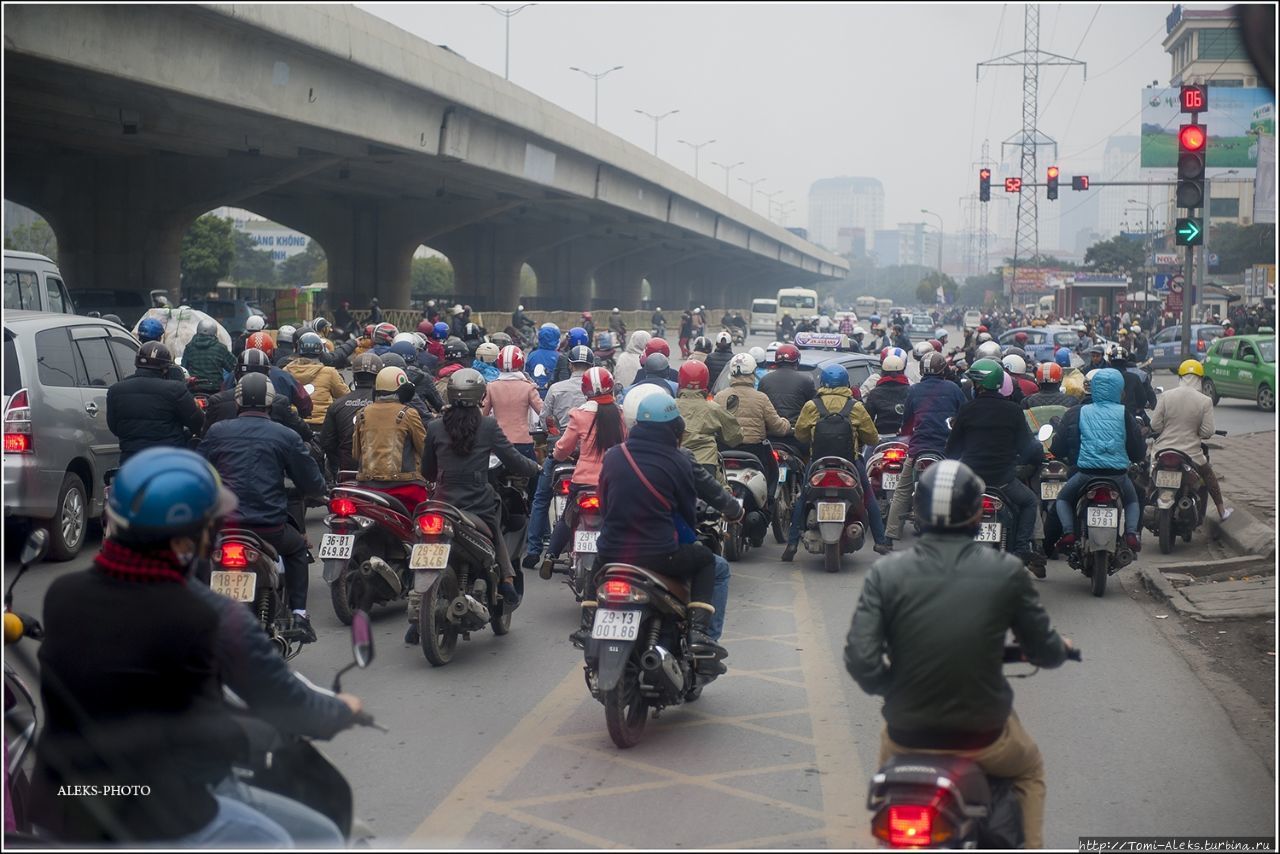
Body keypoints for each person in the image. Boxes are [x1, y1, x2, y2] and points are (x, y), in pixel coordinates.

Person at [29, 448, 299, 845]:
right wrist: (265, 733)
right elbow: (210, 734)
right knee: (292, 838)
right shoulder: (191, 616)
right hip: (149, 811)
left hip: (57, 804)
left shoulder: (62, 594)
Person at [845, 460, 1071, 850]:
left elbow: (862, 660)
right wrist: (1058, 651)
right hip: (984, 735)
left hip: (905, 734)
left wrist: (894, 688)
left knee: (890, 794)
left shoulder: (885, 574)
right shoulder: (1006, 571)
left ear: (920, 512)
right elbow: (1044, 648)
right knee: (1029, 770)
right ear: (976, 513)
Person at [572, 394, 729, 669]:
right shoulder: (679, 459)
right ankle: (699, 633)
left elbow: (605, 504)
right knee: (709, 562)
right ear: (674, 428)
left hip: (612, 551)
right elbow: (686, 510)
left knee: (598, 563)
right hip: (660, 555)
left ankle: (587, 625)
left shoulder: (613, 455)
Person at [199, 373, 327, 644]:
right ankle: (300, 615)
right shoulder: (286, 435)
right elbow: (312, 481)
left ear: (237, 402)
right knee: (297, 550)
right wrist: (318, 491)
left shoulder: (216, 432)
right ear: (270, 403)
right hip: (268, 528)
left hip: (223, 527)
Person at [424, 369, 540, 608]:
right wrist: (536, 468)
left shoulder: (435, 427)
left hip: (443, 501)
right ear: (479, 394)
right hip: (477, 501)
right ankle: (507, 578)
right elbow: (513, 459)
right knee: (495, 525)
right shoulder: (488, 426)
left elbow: (427, 470)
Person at [782, 364, 891, 560]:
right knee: (869, 498)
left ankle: (791, 544)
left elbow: (800, 434)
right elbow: (873, 438)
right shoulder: (856, 406)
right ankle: (881, 542)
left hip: (818, 463)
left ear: (822, 383)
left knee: (802, 498)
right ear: (846, 383)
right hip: (850, 463)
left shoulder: (812, 406)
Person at [947, 360, 1045, 575]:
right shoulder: (1013, 410)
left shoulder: (967, 409)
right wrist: (1033, 458)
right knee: (1029, 502)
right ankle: (1020, 549)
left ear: (978, 385)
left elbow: (952, 449)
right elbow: (1027, 446)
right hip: (1004, 481)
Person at [540, 367, 627, 576]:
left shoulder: (579, 415)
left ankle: (550, 556)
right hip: (612, 480)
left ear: (585, 390)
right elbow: (625, 445)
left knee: (568, 516)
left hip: (583, 480)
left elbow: (563, 447)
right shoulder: (620, 414)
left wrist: (555, 456)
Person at [1049, 367, 1146, 555]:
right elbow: (1136, 450)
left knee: (1062, 498)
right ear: (1120, 391)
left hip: (1086, 474)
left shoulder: (1083, 411)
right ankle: (1131, 533)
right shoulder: (1124, 413)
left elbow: (1068, 443)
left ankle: (1068, 532)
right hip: (1117, 476)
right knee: (1133, 500)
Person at [883, 352, 969, 548]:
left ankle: (889, 537)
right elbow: (964, 417)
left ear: (922, 370)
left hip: (918, 450)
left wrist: (905, 433)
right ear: (943, 370)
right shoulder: (954, 389)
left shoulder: (914, 391)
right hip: (946, 451)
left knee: (902, 491)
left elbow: (907, 422)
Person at [523, 345, 595, 568]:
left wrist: (554, 434)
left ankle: (534, 550)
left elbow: (545, 420)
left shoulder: (556, 388)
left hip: (561, 450)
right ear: (591, 368)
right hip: (589, 454)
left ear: (570, 365)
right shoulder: (596, 392)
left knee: (541, 498)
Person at [1148, 359, 1233, 521]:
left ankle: (1143, 511)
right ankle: (1222, 511)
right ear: (1200, 379)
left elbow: (1155, 425)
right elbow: (1207, 432)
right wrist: (1195, 432)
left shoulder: (1166, 396)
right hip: (1190, 454)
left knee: (1151, 478)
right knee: (1208, 475)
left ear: (1181, 376)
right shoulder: (1205, 401)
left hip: (1163, 451)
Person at [713, 352, 790, 510]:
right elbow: (778, 427)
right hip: (754, 453)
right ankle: (767, 505)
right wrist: (787, 424)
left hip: (724, 452)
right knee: (773, 474)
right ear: (752, 373)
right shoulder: (761, 398)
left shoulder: (719, 397)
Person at [107, 342, 205, 463]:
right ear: (165, 368)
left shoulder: (115, 390)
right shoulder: (175, 389)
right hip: (169, 460)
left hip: (130, 459)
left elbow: (114, 426)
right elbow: (197, 422)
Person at [203, 349, 312, 443]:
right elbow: (305, 433)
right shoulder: (280, 401)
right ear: (268, 374)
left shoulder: (218, 401)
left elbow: (204, 438)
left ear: (236, 373)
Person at [674, 360, 742, 479]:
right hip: (706, 465)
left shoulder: (670, 407)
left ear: (680, 380)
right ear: (705, 381)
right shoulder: (713, 408)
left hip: (674, 463)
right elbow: (734, 437)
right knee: (724, 493)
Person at [318, 352, 382, 476]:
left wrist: (338, 464)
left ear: (354, 377)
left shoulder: (337, 405)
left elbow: (327, 442)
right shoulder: (386, 405)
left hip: (347, 471)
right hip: (380, 471)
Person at [483, 346, 543, 463]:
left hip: (497, 441)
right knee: (535, 474)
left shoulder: (491, 386)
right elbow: (543, 412)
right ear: (521, 364)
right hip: (523, 442)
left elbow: (482, 415)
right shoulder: (528, 387)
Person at [284, 332, 350, 427]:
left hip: (295, 424)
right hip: (323, 425)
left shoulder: (287, 371)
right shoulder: (330, 372)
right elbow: (345, 396)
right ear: (320, 350)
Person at [757, 343, 814, 430]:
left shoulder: (764, 380)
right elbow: (812, 409)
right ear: (797, 361)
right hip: (796, 433)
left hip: (771, 432)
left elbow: (759, 408)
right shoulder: (806, 380)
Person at [863, 348, 911, 436]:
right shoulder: (911, 391)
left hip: (880, 438)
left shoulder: (875, 392)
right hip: (904, 438)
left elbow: (867, 420)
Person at [183, 319, 236, 394]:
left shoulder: (189, 347)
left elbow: (184, 368)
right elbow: (233, 367)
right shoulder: (220, 348)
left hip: (194, 388)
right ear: (214, 332)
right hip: (215, 389)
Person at [526, 324, 565, 398]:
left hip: (533, 394)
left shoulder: (532, 355)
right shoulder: (559, 357)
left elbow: (526, 375)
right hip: (552, 395)